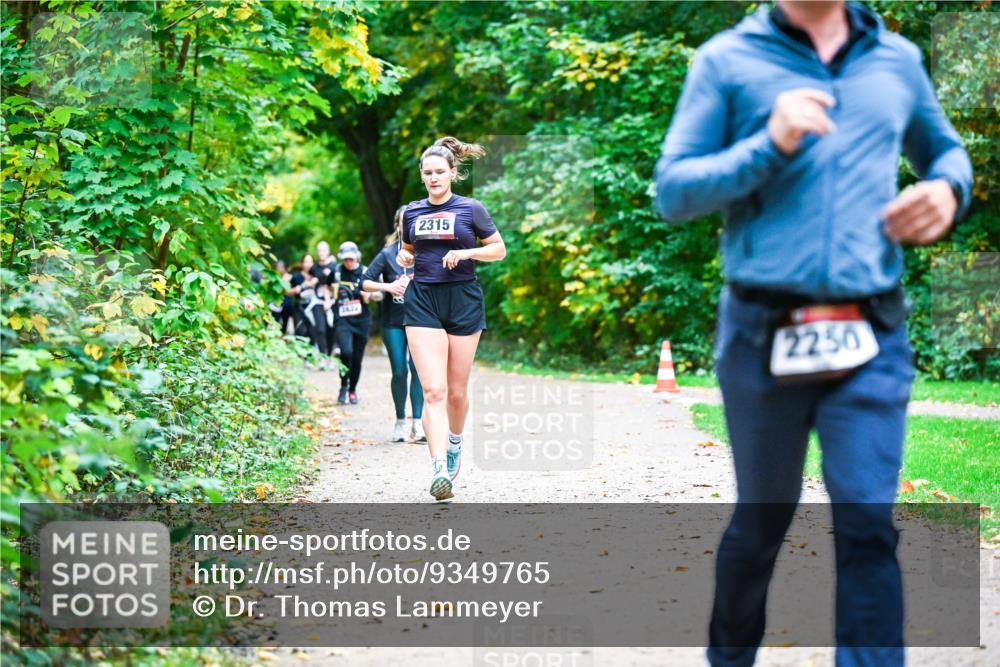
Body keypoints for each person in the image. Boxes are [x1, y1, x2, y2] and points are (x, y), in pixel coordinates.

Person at [653, 2, 972, 666]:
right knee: (764, 518)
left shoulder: (898, 61)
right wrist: (768, 142)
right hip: (762, 329)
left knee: (866, 521)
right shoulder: (728, 61)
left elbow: (944, 151)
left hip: (870, 329)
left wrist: (948, 188)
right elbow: (674, 191)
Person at [398, 136, 507, 501]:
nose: (433, 178)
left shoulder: (470, 209)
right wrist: (405, 260)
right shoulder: (411, 212)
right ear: (422, 176)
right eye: (427, 173)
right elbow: (409, 250)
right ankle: (439, 469)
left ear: (453, 173)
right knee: (434, 391)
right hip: (423, 299)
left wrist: (466, 253)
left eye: (439, 172)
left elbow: (498, 250)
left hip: (462, 299)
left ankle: (455, 443)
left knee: (457, 393)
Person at [362, 208, 426, 443]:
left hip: (422, 320)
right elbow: (364, 281)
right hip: (393, 322)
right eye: (404, 222)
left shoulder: (427, 254)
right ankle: (400, 421)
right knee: (400, 370)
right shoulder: (388, 254)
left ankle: (417, 424)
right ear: (398, 226)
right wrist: (388, 287)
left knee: (419, 370)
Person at [332, 241, 372, 405]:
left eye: (351, 259)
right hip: (343, 320)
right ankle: (343, 386)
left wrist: (367, 294)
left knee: (356, 359)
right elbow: (328, 287)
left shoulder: (365, 271)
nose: (348, 262)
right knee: (346, 352)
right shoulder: (336, 271)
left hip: (362, 320)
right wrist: (329, 300)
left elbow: (374, 294)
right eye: (345, 259)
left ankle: (352, 390)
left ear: (357, 257)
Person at [288, 254, 327, 362]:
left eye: (310, 262)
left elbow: (326, 284)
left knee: (313, 331)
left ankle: (312, 357)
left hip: (313, 306)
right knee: (301, 331)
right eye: (306, 261)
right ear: (302, 264)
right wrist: (295, 289)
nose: (308, 264)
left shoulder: (317, 274)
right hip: (299, 307)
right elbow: (287, 292)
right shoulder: (296, 276)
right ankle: (303, 357)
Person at [313, 241, 339, 370]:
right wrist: (323, 273)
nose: (321, 253)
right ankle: (322, 357)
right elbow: (312, 280)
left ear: (328, 251)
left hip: (332, 301)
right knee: (320, 329)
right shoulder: (315, 267)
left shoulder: (335, 266)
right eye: (319, 250)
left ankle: (331, 356)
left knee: (331, 331)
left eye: (323, 250)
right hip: (318, 301)